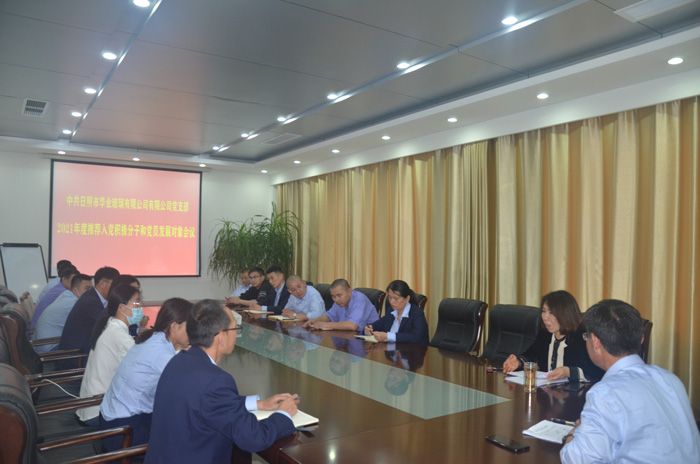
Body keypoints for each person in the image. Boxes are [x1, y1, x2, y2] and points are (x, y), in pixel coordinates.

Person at [146, 299, 298, 463]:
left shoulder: (179, 360)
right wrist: (283, 414)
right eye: (235, 329)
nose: (236, 335)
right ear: (221, 336)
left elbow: (209, 403)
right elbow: (253, 438)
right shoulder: (216, 381)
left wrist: (259, 404)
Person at [560, 299, 700, 463]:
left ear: (596, 342)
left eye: (586, 337)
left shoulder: (605, 393)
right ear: (641, 339)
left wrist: (574, 434)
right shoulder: (670, 379)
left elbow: (577, 460)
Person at [99, 297, 193, 452]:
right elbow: (189, 388)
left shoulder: (155, 337)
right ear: (174, 326)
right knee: (186, 437)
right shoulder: (161, 353)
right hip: (123, 430)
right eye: (190, 327)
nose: (193, 333)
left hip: (115, 418)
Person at [76, 284, 142, 424]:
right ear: (122, 308)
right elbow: (141, 367)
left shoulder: (110, 323)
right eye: (136, 303)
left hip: (92, 404)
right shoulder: (118, 334)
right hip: (99, 409)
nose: (140, 308)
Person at [502, 290, 603, 382]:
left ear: (566, 314)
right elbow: (531, 355)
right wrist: (518, 362)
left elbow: (597, 371)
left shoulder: (582, 337)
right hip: (547, 391)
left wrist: (568, 372)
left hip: (575, 393)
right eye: (544, 311)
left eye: (552, 312)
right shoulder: (545, 333)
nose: (545, 317)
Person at [58, 266, 120, 354]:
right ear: (103, 284)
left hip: (85, 348)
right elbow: (109, 327)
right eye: (115, 286)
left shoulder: (94, 296)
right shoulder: (90, 302)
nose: (116, 290)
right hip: (76, 355)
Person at [33, 273, 92, 352]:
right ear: (75, 290)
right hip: (50, 349)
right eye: (87, 289)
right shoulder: (73, 302)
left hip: (43, 344)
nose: (90, 292)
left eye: (92, 289)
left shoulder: (66, 295)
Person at [364, 280, 428, 344]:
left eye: (396, 298)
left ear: (407, 299)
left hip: (410, 349)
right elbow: (379, 324)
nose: (391, 302)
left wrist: (388, 336)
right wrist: (370, 328)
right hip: (390, 348)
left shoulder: (417, 313)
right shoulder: (391, 311)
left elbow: (417, 337)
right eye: (390, 297)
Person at [304, 279, 378, 331]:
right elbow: (329, 316)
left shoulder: (360, 299)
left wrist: (326, 325)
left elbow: (352, 326)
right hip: (348, 335)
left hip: (369, 338)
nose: (336, 300)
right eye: (333, 296)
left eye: (339, 295)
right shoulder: (339, 302)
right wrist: (314, 321)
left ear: (349, 291)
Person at [30, 263, 78, 328]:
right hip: (40, 328)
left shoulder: (59, 286)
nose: (75, 284)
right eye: (72, 281)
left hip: (39, 325)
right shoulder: (64, 292)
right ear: (64, 279)